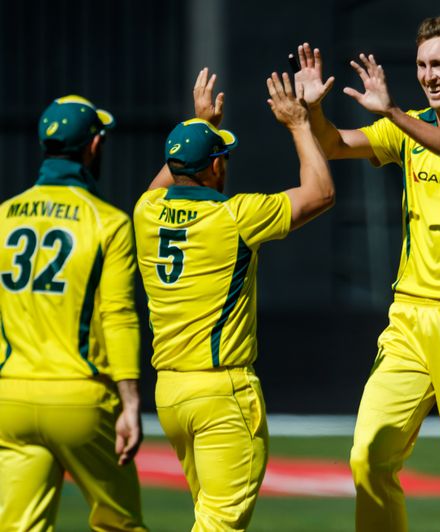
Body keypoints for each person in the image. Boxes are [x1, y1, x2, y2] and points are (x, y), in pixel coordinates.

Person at [293, 15, 440, 531]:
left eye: (439, 63)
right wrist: (312, 110)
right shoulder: (406, 127)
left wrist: (392, 111)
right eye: (421, 64)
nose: (429, 75)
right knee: (368, 457)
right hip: (409, 321)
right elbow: (333, 145)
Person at [134, 68, 335, 530]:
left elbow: (161, 183)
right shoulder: (236, 215)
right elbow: (321, 193)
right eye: (221, 156)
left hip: (170, 394)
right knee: (220, 524)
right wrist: (299, 125)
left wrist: (198, 125)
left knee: (207, 516)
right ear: (211, 168)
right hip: (221, 391)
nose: (226, 164)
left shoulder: (146, 211)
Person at [0, 96, 146, 530]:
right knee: (121, 524)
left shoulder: (4, 216)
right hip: (79, 399)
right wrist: (131, 402)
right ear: (94, 146)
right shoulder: (109, 222)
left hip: (11, 398)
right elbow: (119, 314)